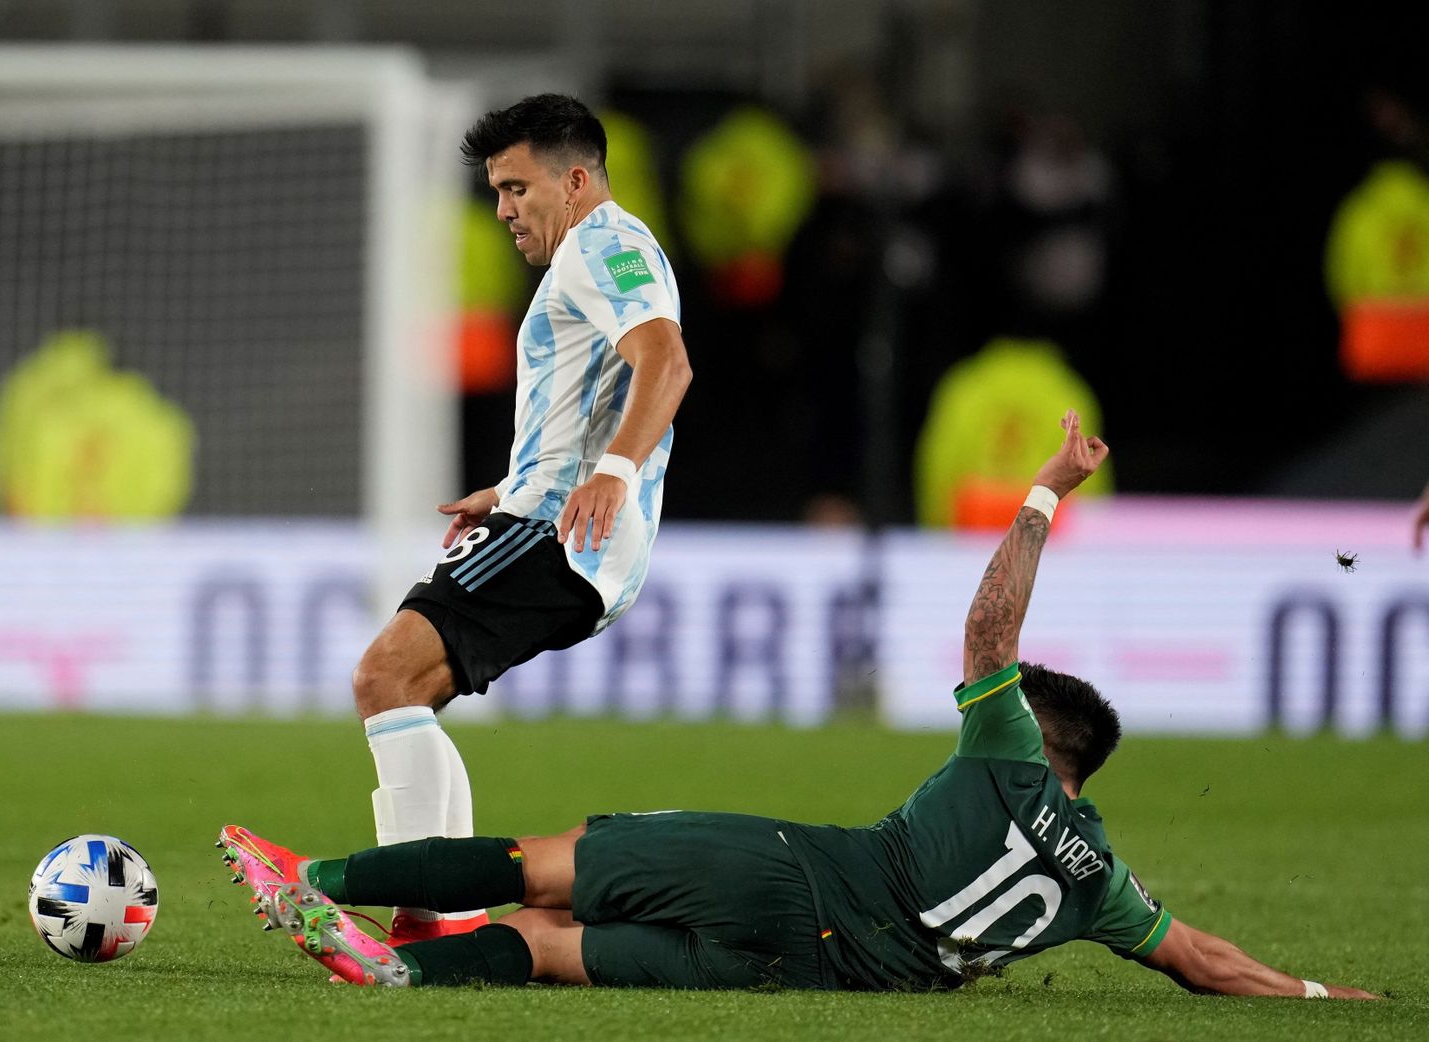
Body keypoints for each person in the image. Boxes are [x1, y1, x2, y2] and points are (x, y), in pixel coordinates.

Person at [221, 411, 1372, 999]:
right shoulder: (1103, 886)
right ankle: (405, 972)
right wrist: (1322, 992)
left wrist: (1042, 495)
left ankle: (315, 879)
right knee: (560, 956)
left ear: (1042, 734)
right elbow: (1204, 960)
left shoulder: (1012, 757)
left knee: (546, 866)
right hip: (816, 971)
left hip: (794, 872)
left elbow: (987, 636)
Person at [346, 94, 692, 944]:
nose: (502, 210)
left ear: (575, 181)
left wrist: (609, 474)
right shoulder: (607, 251)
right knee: (409, 691)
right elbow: (596, 397)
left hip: (561, 539)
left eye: (516, 188)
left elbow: (666, 360)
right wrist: (509, 488)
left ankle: (432, 918)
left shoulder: (599, 245)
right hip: (551, 523)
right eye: (495, 191)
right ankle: (446, 913)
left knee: (384, 677)